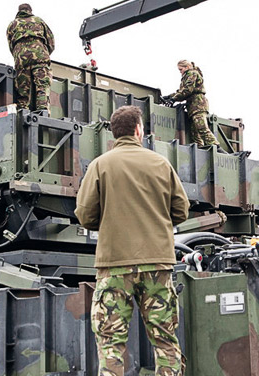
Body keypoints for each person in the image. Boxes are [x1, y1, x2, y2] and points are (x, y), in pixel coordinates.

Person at [75, 105, 189, 376]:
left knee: (111, 343)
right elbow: (181, 211)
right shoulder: (161, 163)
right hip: (157, 265)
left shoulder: (100, 165)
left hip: (114, 265)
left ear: (113, 134)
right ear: (139, 130)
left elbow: (85, 215)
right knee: (165, 339)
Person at [6, 3, 55, 111]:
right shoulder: (39, 21)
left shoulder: (12, 25)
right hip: (39, 56)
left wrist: (19, 56)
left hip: (21, 58)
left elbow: (11, 45)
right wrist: (44, 53)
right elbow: (51, 42)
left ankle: (23, 110)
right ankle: (42, 110)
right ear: (30, 10)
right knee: (42, 85)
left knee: (23, 90)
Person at [164, 60, 219, 148]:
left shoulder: (192, 74)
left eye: (181, 69)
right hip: (193, 106)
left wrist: (173, 99)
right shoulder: (188, 76)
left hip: (198, 104)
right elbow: (182, 91)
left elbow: (187, 90)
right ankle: (200, 149)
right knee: (195, 132)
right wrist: (169, 97)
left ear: (187, 67)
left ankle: (216, 147)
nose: (180, 72)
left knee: (201, 128)